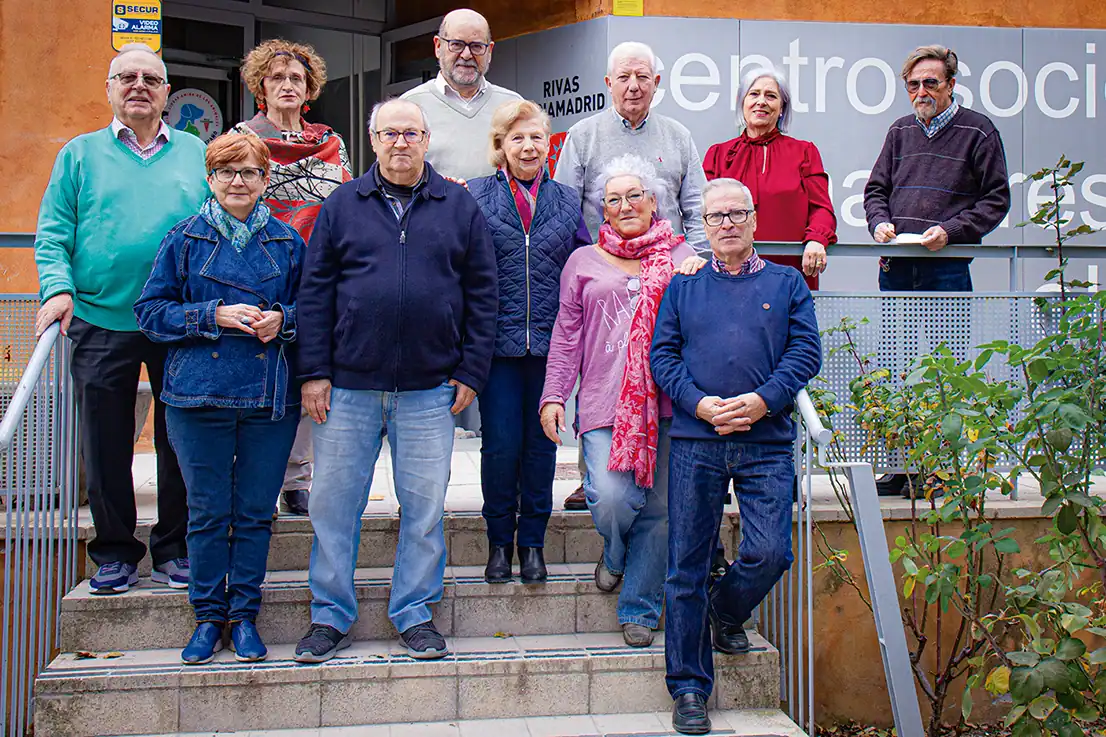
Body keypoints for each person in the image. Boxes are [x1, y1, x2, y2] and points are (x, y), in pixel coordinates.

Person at [293, 99, 497, 663]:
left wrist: (471, 370)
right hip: (348, 387)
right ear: (373, 139)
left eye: (411, 132)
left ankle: (415, 613)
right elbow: (314, 294)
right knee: (334, 506)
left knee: (425, 508)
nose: (400, 142)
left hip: (430, 389)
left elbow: (483, 294)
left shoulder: (458, 206)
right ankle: (330, 616)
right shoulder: (341, 205)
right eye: (390, 133)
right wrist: (313, 372)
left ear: (427, 139)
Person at [33, 43, 208, 595]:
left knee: (178, 438)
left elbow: (215, 226)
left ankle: (174, 548)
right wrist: (58, 290)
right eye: (126, 77)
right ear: (109, 88)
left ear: (165, 91)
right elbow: (54, 233)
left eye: (150, 78)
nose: (138, 85)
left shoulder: (195, 152)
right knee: (105, 441)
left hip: (178, 320)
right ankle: (113, 552)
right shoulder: (79, 155)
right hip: (99, 316)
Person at [650, 178, 822, 735]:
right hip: (698, 441)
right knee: (686, 565)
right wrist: (699, 405)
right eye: (715, 216)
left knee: (771, 551)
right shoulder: (684, 286)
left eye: (735, 214)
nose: (725, 223)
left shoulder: (787, 282)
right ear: (703, 226)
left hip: (764, 439)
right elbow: (663, 356)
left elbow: (805, 352)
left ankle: (723, 611)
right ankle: (690, 689)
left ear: (753, 221)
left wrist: (762, 401)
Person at [134, 133, 305, 665]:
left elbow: (317, 310)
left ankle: (245, 615)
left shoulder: (287, 241)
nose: (238, 181)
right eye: (227, 172)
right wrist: (211, 316)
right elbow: (150, 313)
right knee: (207, 513)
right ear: (210, 179)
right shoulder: (183, 239)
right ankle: (208, 616)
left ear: (265, 180)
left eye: (249, 172)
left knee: (254, 513)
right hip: (195, 397)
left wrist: (285, 320)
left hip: (267, 398)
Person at [540, 154, 695, 648]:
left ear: (654, 202)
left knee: (659, 510)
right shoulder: (582, 261)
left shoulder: (681, 257)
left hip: (670, 402)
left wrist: (696, 274)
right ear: (603, 210)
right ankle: (613, 555)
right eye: (614, 199)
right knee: (610, 496)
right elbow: (567, 335)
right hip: (606, 401)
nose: (625, 205)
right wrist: (554, 395)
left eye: (635, 196)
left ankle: (640, 609)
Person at [553, 40, 708, 511]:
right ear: (608, 84)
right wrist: (588, 269)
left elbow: (696, 208)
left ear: (657, 83)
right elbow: (564, 208)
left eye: (643, 77)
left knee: (660, 381)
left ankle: (660, 478)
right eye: (624, 77)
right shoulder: (584, 135)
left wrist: (697, 264)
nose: (634, 86)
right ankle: (593, 476)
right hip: (604, 272)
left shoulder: (678, 136)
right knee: (602, 374)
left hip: (666, 280)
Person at [863, 45, 1010, 497]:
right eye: (913, 84)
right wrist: (879, 222)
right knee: (898, 367)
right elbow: (876, 191)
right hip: (897, 266)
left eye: (931, 83)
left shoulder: (978, 131)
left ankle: (944, 471)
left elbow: (996, 200)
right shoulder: (900, 131)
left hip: (945, 269)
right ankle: (903, 468)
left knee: (946, 372)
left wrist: (951, 231)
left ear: (951, 84)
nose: (921, 91)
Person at [468, 101, 591, 585]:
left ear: (548, 145)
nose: (528, 147)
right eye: (517, 138)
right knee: (499, 446)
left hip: (552, 346)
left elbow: (585, 265)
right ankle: (499, 544)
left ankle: (533, 544)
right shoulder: (475, 197)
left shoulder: (565, 200)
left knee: (542, 446)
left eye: (537, 137)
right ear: (500, 146)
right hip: (495, 348)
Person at [232, 39, 353, 517]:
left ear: (309, 90)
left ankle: (298, 478)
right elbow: (228, 200)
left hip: (321, 272)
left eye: (296, 79)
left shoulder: (331, 141)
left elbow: (346, 203)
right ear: (261, 86)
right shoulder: (244, 138)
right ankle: (257, 474)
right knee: (265, 376)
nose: (287, 85)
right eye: (277, 77)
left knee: (312, 370)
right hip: (260, 271)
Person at [702, 66, 836, 289]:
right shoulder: (718, 154)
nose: (761, 101)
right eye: (754, 94)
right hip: (729, 273)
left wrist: (816, 239)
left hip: (789, 274)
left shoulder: (804, 152)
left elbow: (822, 209)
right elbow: (704, 213)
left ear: (782, 107)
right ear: (742, 103)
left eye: (771, 96)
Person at [401, 8, 522, 181]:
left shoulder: (513, 106)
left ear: (490, 51)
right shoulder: (409, 107)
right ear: (437, 46)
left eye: (476, 46)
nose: (466, 55)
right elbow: (393, 181)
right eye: (456, 44)